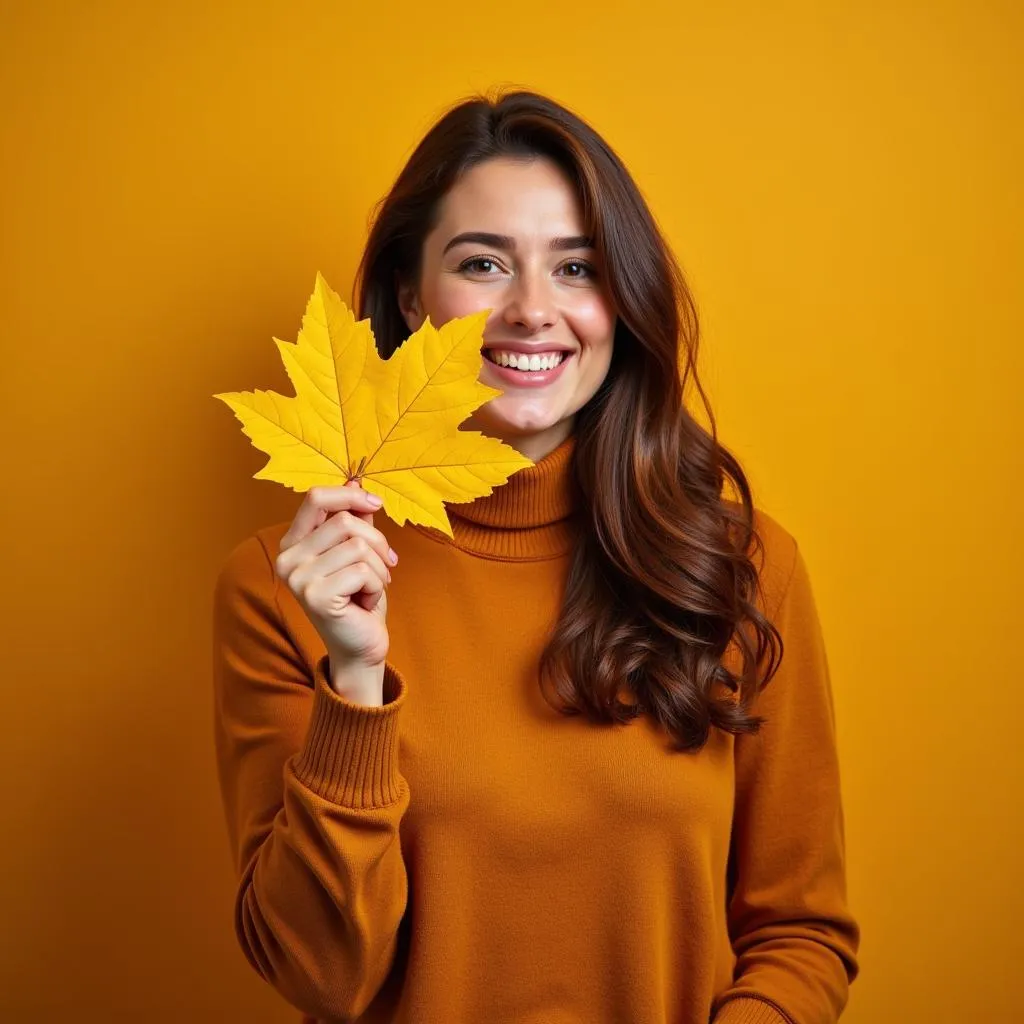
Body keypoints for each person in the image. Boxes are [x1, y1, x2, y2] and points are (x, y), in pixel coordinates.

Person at [212, 89, 860, 1024]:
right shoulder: (286, 588)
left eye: (577, 268)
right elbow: (320, 977)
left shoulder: (740, 567)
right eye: (483, 263)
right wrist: (354, 680)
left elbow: (801, 935)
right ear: (409, 295)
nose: (531, 311)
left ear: (620, 300)